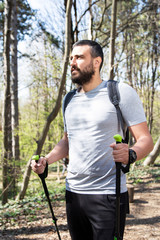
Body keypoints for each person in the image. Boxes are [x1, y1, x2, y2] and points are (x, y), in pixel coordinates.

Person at [31, 40, 153, 240]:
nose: (72, 62)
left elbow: (145, 140)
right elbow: (68, 141)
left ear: (97, 62)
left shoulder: (119, 92)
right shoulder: (68, 99)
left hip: (108, 195)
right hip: (73, 194)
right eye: (71, 58)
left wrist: (131, 154)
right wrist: (47, 160)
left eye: (79, 57)